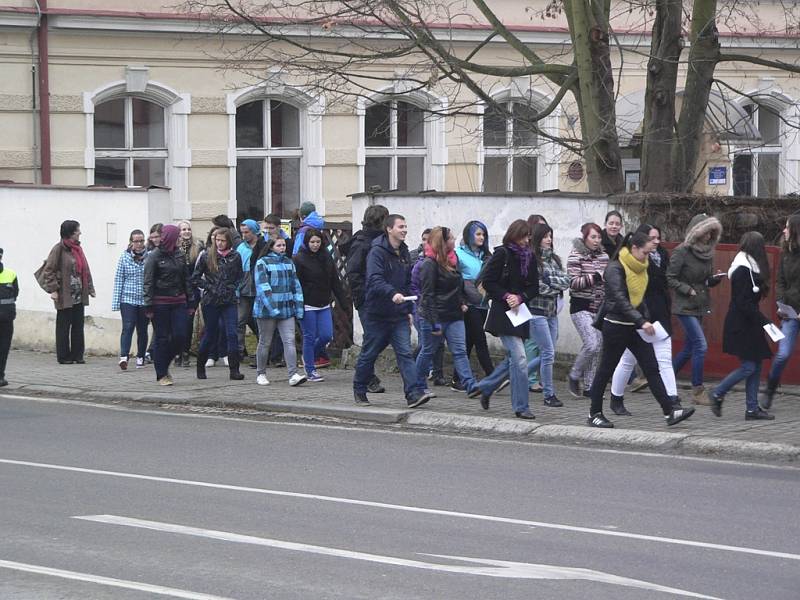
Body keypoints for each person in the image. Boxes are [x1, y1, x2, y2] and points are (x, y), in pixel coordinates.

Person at [586, 231, 695, 428]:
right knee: (606, 369)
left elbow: (640, 298)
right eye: (644, 252)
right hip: (616, 326)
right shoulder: (615, 268)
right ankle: (594, 413)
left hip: (634, 327)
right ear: (634, 248)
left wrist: (644, 319)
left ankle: (669, 411)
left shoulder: (641, 267)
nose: (647, 257)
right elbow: (620, 299)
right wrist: (642, 321)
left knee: (651, 367)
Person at [352, 214, 429, 407]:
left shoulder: (403, 252)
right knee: (370, 353)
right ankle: (359, 389)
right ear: (389, 229)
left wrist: (409, 309)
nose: (404, 230)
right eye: (400, 226)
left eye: (405, 226)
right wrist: (392, 293)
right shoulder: (376, 252)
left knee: (404, 352)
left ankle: (413, 394)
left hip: (399, 315)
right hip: (377, 314)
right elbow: (374, 279)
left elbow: (408, 283)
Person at [468, 220, 539, 419]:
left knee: (515, 360)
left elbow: (534, 287)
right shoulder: (502, 254)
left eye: (528, 236)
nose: (526, 240)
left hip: (520, 312)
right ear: (514, 235)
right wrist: (507, 296)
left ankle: (486, 387)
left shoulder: (530, 257)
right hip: (502, 313)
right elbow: (487, 282)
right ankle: (521, 406)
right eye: (523, 236)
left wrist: (521, 297)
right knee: (521, 359)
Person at [608, 224, 679, 414]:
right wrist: (639, 317)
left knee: (664, 358)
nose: (656, 241)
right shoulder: (632, 260)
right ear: (641, 241)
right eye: (652, 238)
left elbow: (666, 280)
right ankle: (616, 398)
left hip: (660, 312)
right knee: (627, 360)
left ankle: (673, 401)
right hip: (640, 315)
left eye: (658, 237)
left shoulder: (662, 254)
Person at [710, 232, 775, 420]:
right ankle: (717, 393)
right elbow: (743, 303)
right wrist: (764, 321)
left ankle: (752, 409)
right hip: (741, 324)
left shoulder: (749, 268)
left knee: (756, 365)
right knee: (748, 367)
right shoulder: (742, 270)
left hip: (749, 323)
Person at [666, 213, 724, 405]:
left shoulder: (707, 252)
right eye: (706, 233)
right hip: (684, 306)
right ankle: (698, 390)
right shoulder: (681, 251)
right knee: (701, 345)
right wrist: (686, 289)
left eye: (711, 233)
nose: (709, 237)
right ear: (697, 232)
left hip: (700, 304)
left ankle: (664, 380)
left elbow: (704, 280)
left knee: (690, 348)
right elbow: (670, 277)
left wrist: (714, 280)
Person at [414, 226, 478, 397]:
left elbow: (458, 286)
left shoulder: (452, 260)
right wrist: (434, 322)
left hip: (453, 314)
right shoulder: (429, 264)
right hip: (434, 316)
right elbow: (427, 295)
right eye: (450, 238)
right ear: (442, 242)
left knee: (460, 351)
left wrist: (462, 301)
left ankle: (470, 385)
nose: (453, 239)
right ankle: (418, 385)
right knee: (428, 350)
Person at [294, 227, 348, 382]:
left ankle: (308, 355)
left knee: (326, 335)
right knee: (309, 336)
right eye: (312, 242)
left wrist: (343, 302)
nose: (315, 245)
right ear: (307, 242)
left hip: (324, 302)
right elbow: (296, 284)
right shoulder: (299, 259)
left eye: (318, 242)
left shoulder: (326, 256)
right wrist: (298, 303)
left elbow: (335, 281)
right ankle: (310, 370)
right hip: (307, 304)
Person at [346, 204, 389, 394]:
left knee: (381, 337)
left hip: (383, 298)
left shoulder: (382, 241)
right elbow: (353, 273)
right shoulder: (362, 243)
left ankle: (365, 372)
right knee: (373, 338)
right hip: (368, 299)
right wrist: (362, 297)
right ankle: (367, 377)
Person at [253, 236, 307, 387]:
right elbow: (263, 287)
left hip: (286, 308)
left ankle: (293, 374)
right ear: (271, 247)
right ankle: (261, 373)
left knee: (289, 340)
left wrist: (299, 306)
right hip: (266, 311)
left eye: (283, 245)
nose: (282, 248)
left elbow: (296, 286)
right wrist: (272, 308)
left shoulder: (289, 263)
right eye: (279, 245)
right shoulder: (262, 263)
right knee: (265, 342)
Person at [192, 227, 245, 381]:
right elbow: (195, 278)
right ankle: (200, 366)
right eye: (217, 240)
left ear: (228, 241)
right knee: (210, 333)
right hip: (211, 301)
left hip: (228, 300)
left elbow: (239, 276)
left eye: (223, 240)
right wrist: (209, 287)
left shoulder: (235, 256)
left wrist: (232, 287)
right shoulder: (207, 255)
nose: (220, 243)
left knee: (232, 333)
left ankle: (234, 370)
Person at [527, 223, 570, 406]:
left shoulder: (555, 260)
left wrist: (550, 282)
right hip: (537, 313)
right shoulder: (530, 260)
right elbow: (536, 287)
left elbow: (566, 281)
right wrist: (552, 285)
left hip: (552, 313)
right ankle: (549, 394)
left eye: (550, 236)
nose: (549, 240)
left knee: (547, 354)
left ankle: (516, 373)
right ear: (537, 239)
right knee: (548, 353)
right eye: (545, 237)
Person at [143, 224, 190, 386]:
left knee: (181, 336)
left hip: (179, 301)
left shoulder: (179, 255)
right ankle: (161, 373)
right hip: (160, 302)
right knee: (162, 338)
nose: (179, 240)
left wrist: (190, 301)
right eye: (176, 237)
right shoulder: (154, 256)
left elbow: (186, 279)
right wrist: (148, 305)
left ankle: (164, 361)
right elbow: (148, 282)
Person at [43, 220, 95, 364]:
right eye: (78, 230)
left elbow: (85, 269)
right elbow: (49, 270)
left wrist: (90, 288)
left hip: (78, 294)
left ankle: (78, 355)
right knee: (64, 326)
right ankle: (64, 356)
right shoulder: (58, 249)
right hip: (65, 294)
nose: (80, 233)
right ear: (71, 233)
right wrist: (53, 290)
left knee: (78, 325)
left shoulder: (78, 249)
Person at [762, 214, 800, 408]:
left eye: (787, 227)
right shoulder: (786, 253)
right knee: (783, 354)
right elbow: (781, 282)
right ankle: (770, 389)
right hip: (791, 313)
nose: (784, 231)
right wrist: (781, 303)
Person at [566, 223, 608, 397]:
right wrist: (596, 277)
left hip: (599, 307)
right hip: (580, 306)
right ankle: (574, 374)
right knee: (591, 343)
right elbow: (573, 283)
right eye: (593, 237)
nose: (597, 240)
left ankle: (590, 387)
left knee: (598, 346)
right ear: (585, 238)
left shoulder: (605, 256)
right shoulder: (575, 256)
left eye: (599, 237)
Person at [454, 220, 493, 381]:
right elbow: (455, 279)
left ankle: (458, 379)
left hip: (483, 303)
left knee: (469, 339)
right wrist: (461, 300)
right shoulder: (459, 253)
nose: (481, 237)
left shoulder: (487, 256)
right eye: (478, 234)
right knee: (480, 338)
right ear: (469, 235)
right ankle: (492, 375)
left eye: (483, 234)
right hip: (468, 304)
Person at [112, 229, 149, 370]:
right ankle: (124, 357)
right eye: (136, 241)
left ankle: (140, 357)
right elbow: (119, 279)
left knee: (142, 329)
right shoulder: (124, 257)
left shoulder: (150, 256)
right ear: (131, 242)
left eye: (141, 241)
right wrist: (116, 302)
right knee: (128, 327)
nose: (139, 244)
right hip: (127, 298)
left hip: (144, 300)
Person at [524, 214, 549, 392]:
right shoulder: (529, 254)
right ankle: (528, 377)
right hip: (531, 304)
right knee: (531, 343)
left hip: (547, 307)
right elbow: (536, 284)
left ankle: (524, 373)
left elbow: (563, 280)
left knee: (545, 347)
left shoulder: (550, 257)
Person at [236, 219, 266, 361]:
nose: (244, 235)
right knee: (240, 320)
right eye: (242, 233)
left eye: (247, 232)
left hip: (258, 287)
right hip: (243, 287)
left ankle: (263, 350)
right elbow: (235, 270)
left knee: (259, 321)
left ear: (254, 231)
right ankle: (239, 351)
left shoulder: (263, 245)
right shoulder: (241, 248)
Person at [176, 220, 204, 367]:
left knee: (188, 322)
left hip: (192, 290)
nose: (186, 232)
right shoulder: (174, 248)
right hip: (178, 290)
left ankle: (185, 352)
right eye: (183, 229)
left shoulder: (198, 247)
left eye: (188, 229)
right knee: (177, 323)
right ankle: (177, 352)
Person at [0, 247, 18, 387]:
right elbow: (15, 293)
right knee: (4, 347)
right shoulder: (10, 274)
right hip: (6, 315)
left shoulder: (11, 273)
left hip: (6, 315)